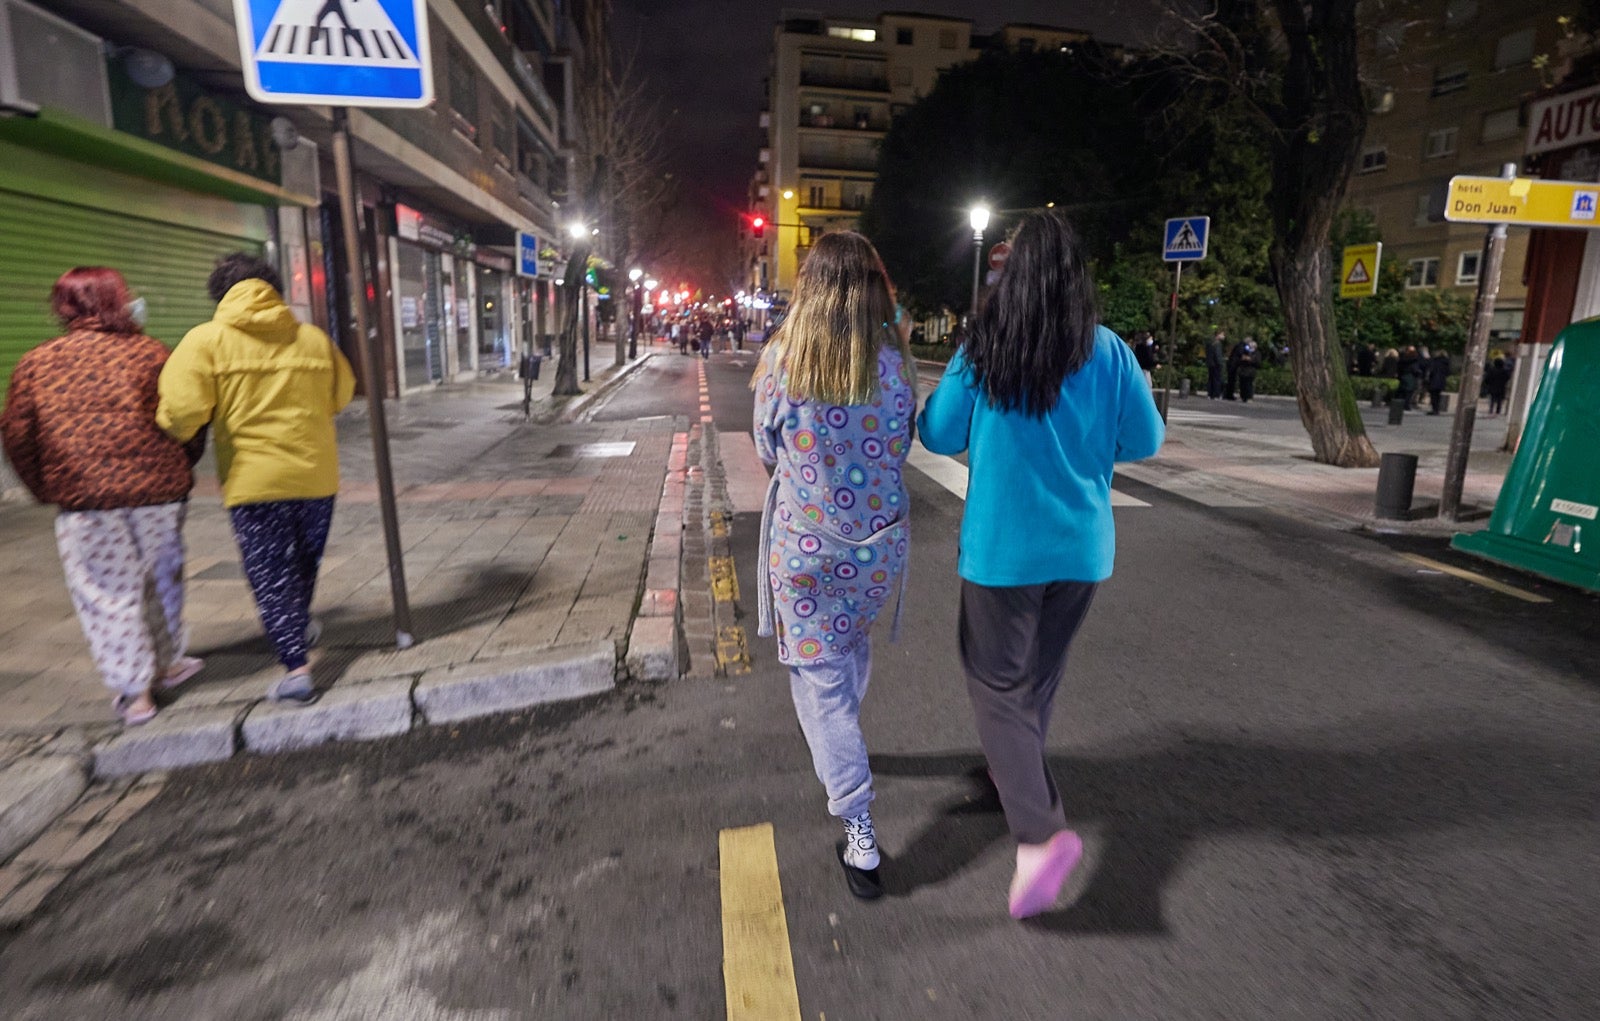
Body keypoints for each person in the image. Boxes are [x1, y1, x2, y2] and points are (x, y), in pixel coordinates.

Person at [918, 211, 1165, 919]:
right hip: (1082, 549)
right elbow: (1144, 440)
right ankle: (1013, 776)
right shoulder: (1110, 349)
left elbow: (938, 431)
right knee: (1038, 675)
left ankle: (1039, 831)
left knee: (994, 679)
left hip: (1005, 548)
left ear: (1012, 276)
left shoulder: (987, 346)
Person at [751, 231, 916, 901]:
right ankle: (838, 737)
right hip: (876, 552)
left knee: (821, 684)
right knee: (846, 657)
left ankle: (859, 826)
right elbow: (901, 445)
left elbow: (765, 445)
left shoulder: (784, 361)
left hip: (807, 550)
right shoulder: (896, 364)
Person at [0, 268, 204, 725]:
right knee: (161, 579)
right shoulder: (152, 353)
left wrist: (45, 487)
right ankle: (169, 663)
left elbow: (16, 435)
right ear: (119, 300)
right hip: (159, 494)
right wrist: (181, 464)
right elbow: (186, 414)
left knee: (108, 595)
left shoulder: (37, 363)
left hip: (87, 502)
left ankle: (136, 695)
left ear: (64, 307)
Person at [158, 253, 355, 706]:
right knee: (304, 563)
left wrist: (173, 425)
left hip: (254, 482)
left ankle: (297, 669)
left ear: (220, 294)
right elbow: (342, 393)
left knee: (270, 572)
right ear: (273, 288)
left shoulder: (205, 341)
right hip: (316, 475)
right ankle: (297, 624)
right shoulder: (312, 339)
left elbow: (181, 415)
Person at [1426, 350, 1451, 415]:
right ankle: (1436, 409)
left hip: (1434, 380)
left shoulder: (1435, 361)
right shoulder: (1446, 362)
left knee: (1433, 396)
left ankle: (1434, 409)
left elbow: (1431, 370)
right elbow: (1448, 372)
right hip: (1441, 381)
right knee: (1437, 396)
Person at [1396, 345, 1420, 411]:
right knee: (1409, 392)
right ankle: (1406, 405)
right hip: (1410, 377)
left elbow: (1399, 367)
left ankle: (1399, 404)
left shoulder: (1403, 358)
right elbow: (1415, 370)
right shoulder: (1415, 360)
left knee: (1402, 392)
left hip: (1404, 376)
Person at [1236, 337, 1260, 402]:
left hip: (1250, 371)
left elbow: (1257, 363)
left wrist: (1250, 359)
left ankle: (1249, 397)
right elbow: (1239, 359)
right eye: (1249, 346)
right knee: (1242, 384)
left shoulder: (1257, 353)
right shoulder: (1245, 352)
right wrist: (1243, 359)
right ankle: (1243, 396)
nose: (1250, 347)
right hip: (1243, 370)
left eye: (1252, 346)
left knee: (1249, 385)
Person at [1205, 329, 1226, 399]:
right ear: (1218, 335)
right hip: (1216, 364)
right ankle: (1216, 394)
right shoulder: (1218, 343)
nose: (1224, 336)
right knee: (1217, 379)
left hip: (1210, 363)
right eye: (1222, 334)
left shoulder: (1210, 342)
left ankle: (1209, 394)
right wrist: (1220, 363)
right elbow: (1218, 355)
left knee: (1211, 379)